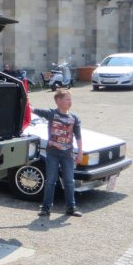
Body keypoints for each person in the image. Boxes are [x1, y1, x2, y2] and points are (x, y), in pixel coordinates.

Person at [33, 88, 83, 218]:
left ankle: (71, 208)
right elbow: (33, 110)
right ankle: (46, 208)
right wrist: (25, 100)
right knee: (50, 181)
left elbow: (78, 136)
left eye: (70, 99)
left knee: (69, 181)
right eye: (67, 99)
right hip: (53, 154)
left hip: (68, 155)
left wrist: (80, 152)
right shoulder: (51, 114)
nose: (70, 102)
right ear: (58, 101)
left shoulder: (74, 118)